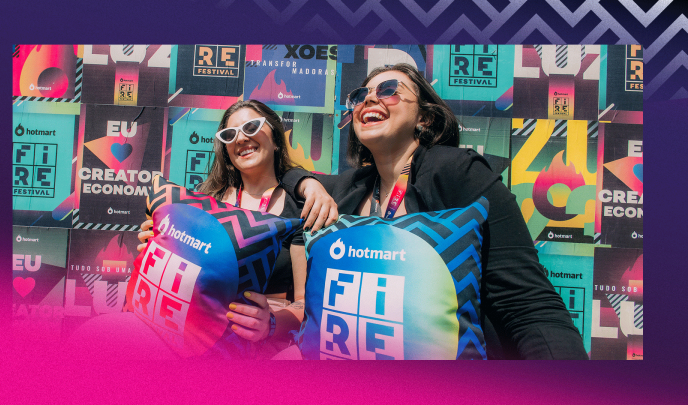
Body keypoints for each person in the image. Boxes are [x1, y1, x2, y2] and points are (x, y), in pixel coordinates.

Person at [283, 63, 588, 359]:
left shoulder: (458, 172)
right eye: (361, 95)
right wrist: (309, 185)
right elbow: (282, 172)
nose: (370, 99)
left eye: (389, 90)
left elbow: (528, 304)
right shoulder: (350, 186)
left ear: (425, 119)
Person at [135, 100, 337, 356]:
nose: (241, 138)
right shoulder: (204, 202)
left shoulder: (300, 209)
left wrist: (271, 323)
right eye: (230, 135)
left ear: (276, 139)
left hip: (258, 351)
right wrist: (158, 247)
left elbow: (305, 305)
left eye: (252, 127)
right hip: (190, 337)